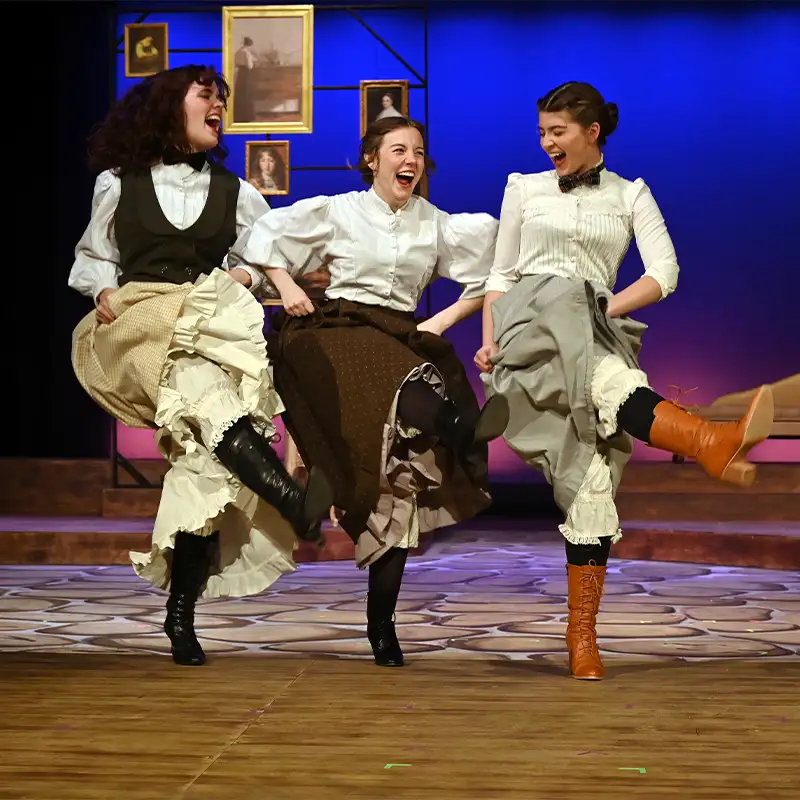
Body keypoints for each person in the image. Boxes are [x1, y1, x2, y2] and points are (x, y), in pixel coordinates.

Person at [476, 81, 774, 681]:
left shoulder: (630, 195)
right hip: (531, 336)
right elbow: (500, 275)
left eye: (557, 132)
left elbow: (665, 273)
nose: (546, 143)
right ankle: (708, 442)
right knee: (592, 350)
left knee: (590, 487)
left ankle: (581, 635)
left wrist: (602, 310)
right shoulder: (523, 188)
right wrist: (490, 339)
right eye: (541, 132)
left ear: (592, 132)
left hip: (592, 335)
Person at [68, 65, 333, 667]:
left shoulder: (236, 192)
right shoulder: (119, 182)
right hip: (138, 327)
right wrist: (102, 290)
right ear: (169, 106)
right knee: (201, 394)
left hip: (206, 324)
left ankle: (180, 617)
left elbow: (267, 255)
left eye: (223, 100)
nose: (218, 107)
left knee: (203, 474)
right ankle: (294, 501)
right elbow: (93, 255)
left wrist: (241, 273)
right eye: (205, 96)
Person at [229, 116, 508, 667]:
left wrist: (443, 320)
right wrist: (286, 287)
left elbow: (496, 272)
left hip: (399, 334)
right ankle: (462, 426)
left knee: (396, 491)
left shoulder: (435, 223)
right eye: (398, 149)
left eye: (419, 152)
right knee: (391, 372)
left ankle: (382, 626)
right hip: (337, 330)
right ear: (372, 161)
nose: (411, 159)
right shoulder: (339, 210)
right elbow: (261, 238)